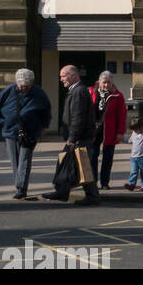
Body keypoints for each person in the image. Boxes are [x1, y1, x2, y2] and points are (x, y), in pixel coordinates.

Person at [42, 64, 100, 204]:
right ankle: (63, 191)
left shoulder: (78, 92)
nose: (61, 79)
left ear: (73, 75)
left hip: (79, 137)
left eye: (63, 76)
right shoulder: (76, 90)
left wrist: (72, 138)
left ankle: (90, 196)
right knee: (73, 164)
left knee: (80, 166)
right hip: (79, 137)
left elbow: (78, 116)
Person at [0, 68, 52, 200]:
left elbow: (46, 111)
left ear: (31, 84)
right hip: (11, 132)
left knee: (24, 159)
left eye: (26, 86)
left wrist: (44, 127)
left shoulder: (39, 93)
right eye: (20, 86)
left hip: (30, 131)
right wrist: (1, 122)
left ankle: (21, 188)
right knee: (15, 161)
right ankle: (19, 186)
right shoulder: (8, 91)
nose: (23, 88)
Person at [88, 70, 128, 189]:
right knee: (92, 156)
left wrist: (120, 132)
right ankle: (92, 181)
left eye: (109, 83)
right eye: (104, 82)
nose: (106, 85)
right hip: (94, 130)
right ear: (99, 82)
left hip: (110, 131)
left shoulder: (118, 96)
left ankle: (105, 182)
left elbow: (122, 115)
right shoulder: (91, 92)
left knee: (108, 158)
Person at [124, 109, 143, 191]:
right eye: (133, 130)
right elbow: (130, 141)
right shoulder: (134, 133)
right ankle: (131, 184)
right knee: (133, 171)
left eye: (136, 129)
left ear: (142, 127)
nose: (134, 131)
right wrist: (122, 139)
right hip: (134, 157)